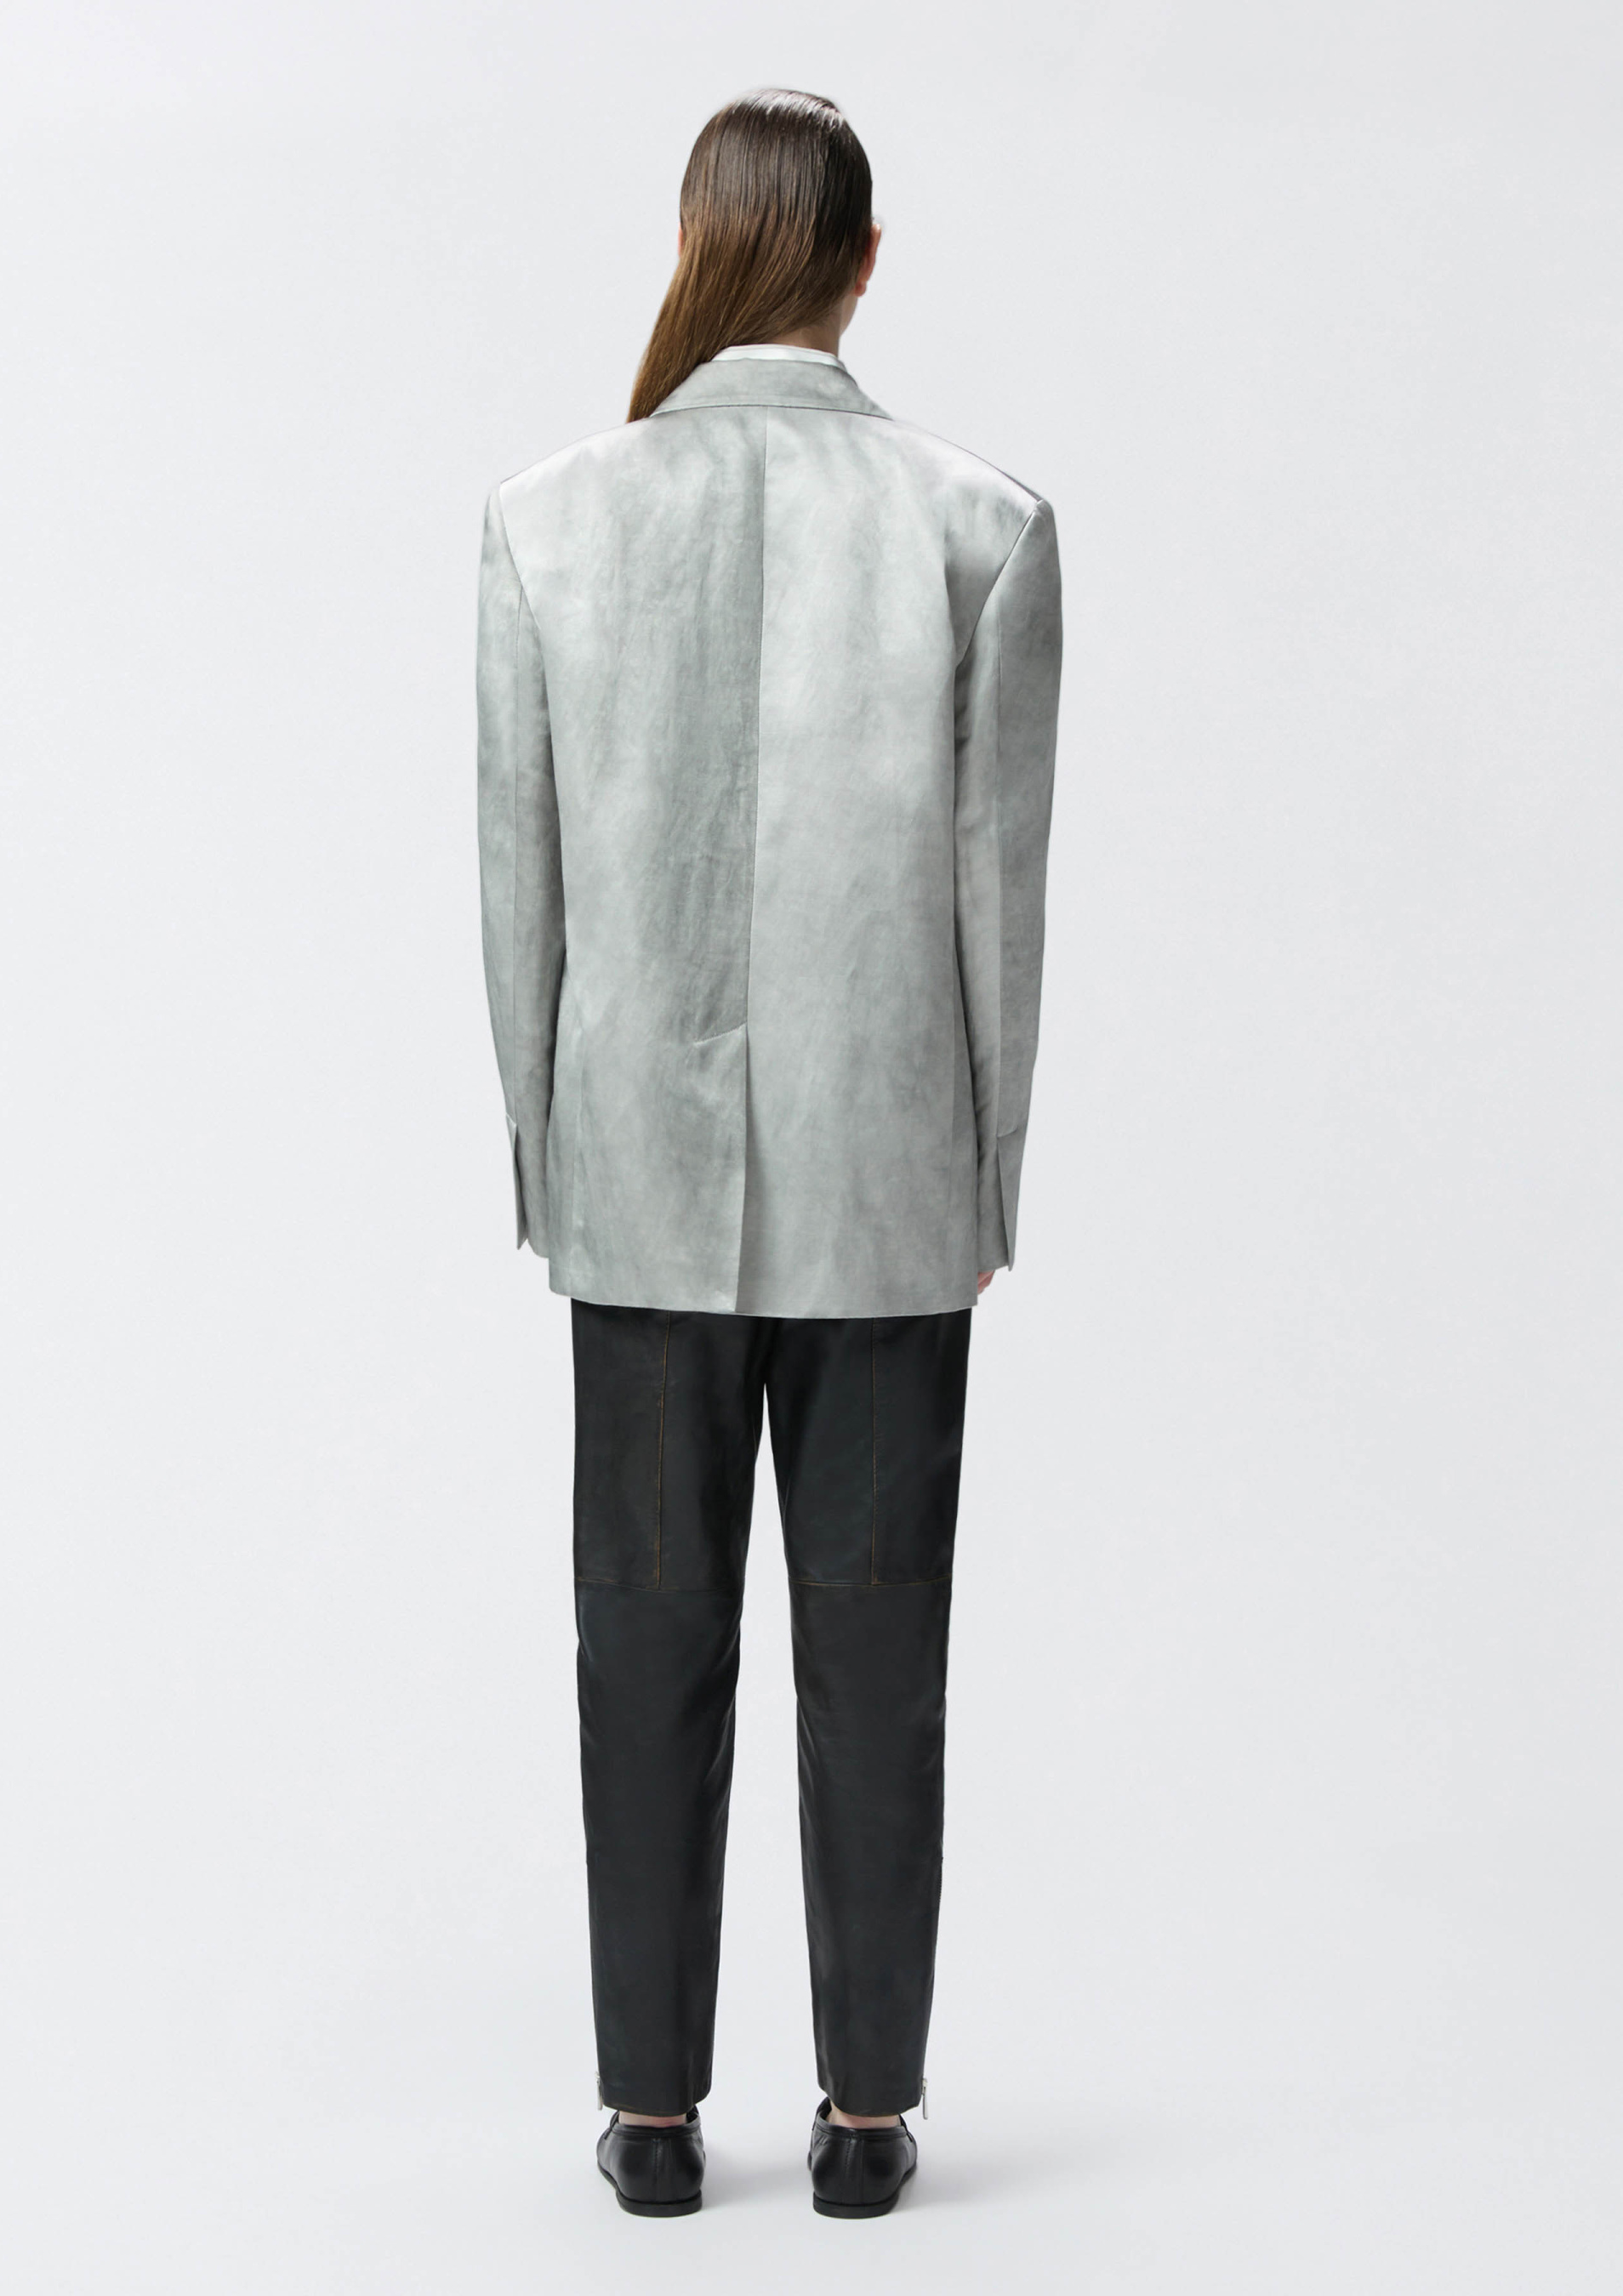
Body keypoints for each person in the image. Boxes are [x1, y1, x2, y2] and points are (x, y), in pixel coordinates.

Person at [476, 87, 1062, 2220]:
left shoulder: (549, 518)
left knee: (641, 1651)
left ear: (695, 244)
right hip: (888, 1182)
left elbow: (518, 884)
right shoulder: (981, 525)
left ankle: (649, 2121)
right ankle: (868, 2116)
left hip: (633, 1181)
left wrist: (546, 1163)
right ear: (862, 261)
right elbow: (996, 897)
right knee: (877, 1656)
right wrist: (985, 1181)